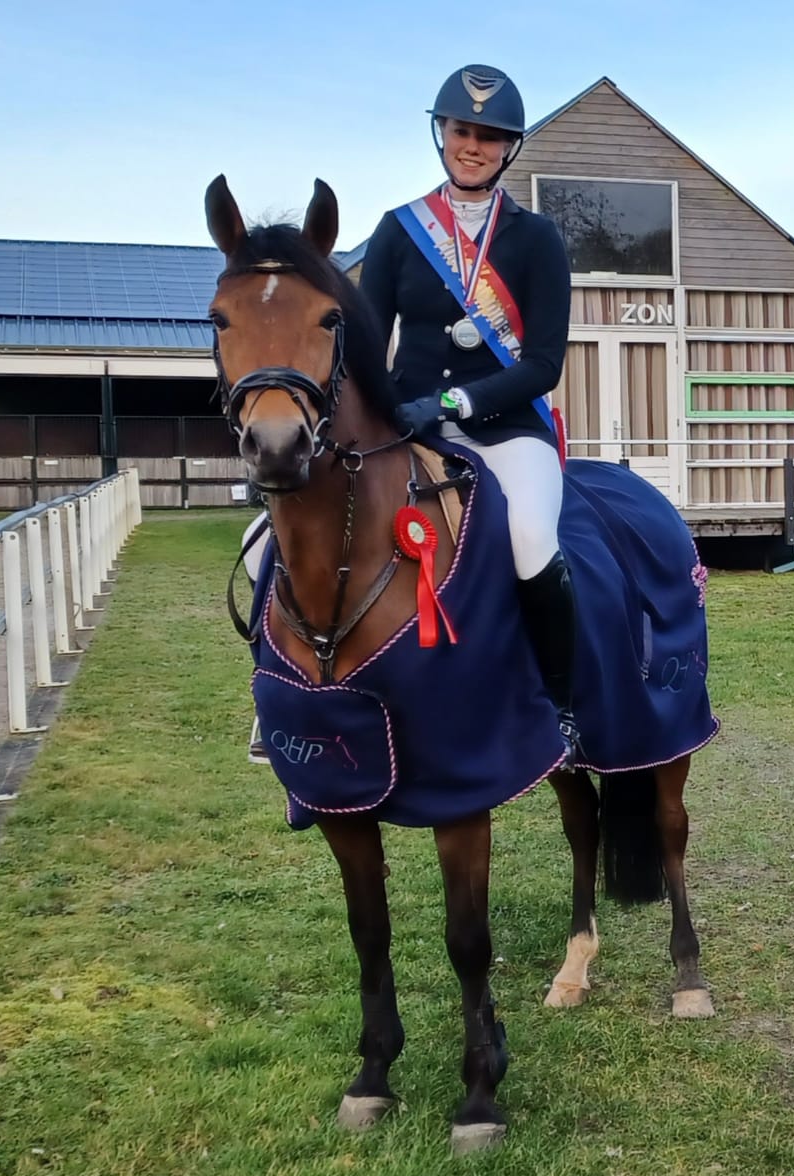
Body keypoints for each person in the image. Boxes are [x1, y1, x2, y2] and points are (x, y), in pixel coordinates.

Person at [248, 64, 581, 764]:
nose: (474, 145)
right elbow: (369, 340)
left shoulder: (537, 238)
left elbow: (543, 363)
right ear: (443, 134)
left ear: (509, 148)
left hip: (507, 428)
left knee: (529, 539)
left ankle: (564, 706)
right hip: (409, 427)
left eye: (491, 136)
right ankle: (281, 692)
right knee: (263, 544)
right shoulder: (402, 230)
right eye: (463, 130)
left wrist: (460, 399)